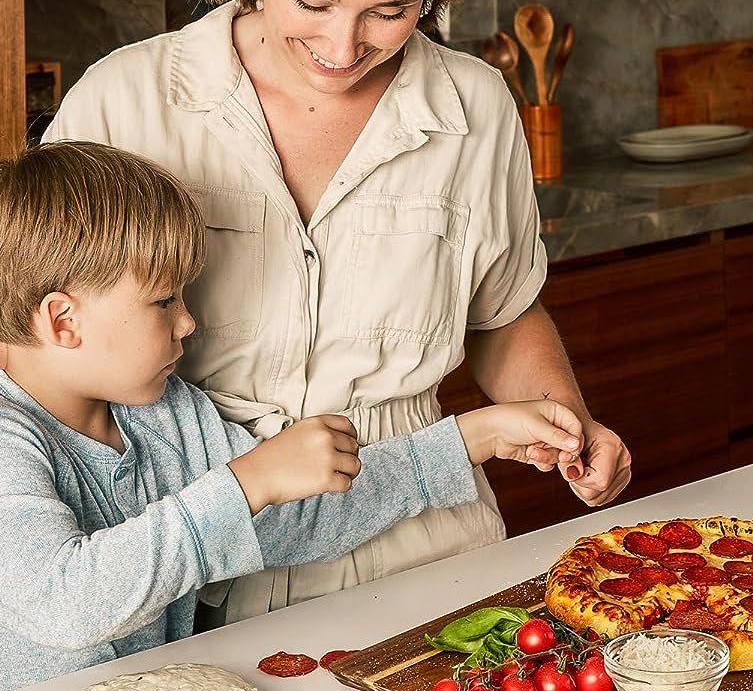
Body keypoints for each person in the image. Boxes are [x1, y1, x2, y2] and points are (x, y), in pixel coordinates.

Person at [43, 0, 631, 624]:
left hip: (425, 539)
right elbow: (41, 344)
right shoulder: (125, 100)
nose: (343, 45)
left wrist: (566, 421)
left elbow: (499, 312)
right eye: (313, 1)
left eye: (390, 11)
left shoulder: (475, 105)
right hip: (188, 551)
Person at [0, 141, 588, 689]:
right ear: (63, 321)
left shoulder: (164, 412)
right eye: (163, 301)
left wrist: (468, 439)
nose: (188, 322)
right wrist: (248, 481)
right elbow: (63, 603)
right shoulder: (9, 438)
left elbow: (292, 521)